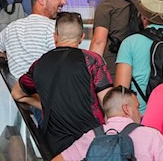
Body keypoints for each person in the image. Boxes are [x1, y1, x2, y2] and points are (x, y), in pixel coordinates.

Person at [11, 12, 112, 156]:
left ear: (55, 36)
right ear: (82, 37)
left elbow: (17, 94)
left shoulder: (39, 64)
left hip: (56, 148)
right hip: (91, 143)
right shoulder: (92, 60)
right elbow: (108, 102)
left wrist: (44, 104)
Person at [52, 86, 163, 161]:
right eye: (137, 108)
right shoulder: (152, 136)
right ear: (126, 109)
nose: (140, 114)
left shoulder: (91, 136)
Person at [0, 0, 66, 80]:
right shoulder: (55, 29)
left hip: (17, 91)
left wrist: (10, 56)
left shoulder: (12, 28)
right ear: (42, 0)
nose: (64, 1)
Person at [89, 0, 142, 79]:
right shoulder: (146, 5)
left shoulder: (108, 4)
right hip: (143, 70)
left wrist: (91, 74)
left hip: (113, 71)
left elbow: (99, 41)